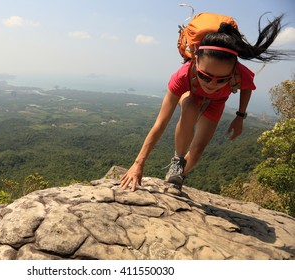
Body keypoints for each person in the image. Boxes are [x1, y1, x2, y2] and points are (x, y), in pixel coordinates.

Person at [120, 14, 293, 194]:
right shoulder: (183, 76)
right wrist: (138, 163)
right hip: (191, 94)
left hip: (217, 103)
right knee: (190, 107)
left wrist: (240, 117)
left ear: (233, 71)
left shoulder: (240, 74)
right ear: (195, 60)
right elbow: (160, 123)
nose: (211, 84)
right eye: (205, 76)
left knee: (197, 151)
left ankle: (178, 176)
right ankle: (177, 160)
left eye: (221, 80)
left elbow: (247, 87)